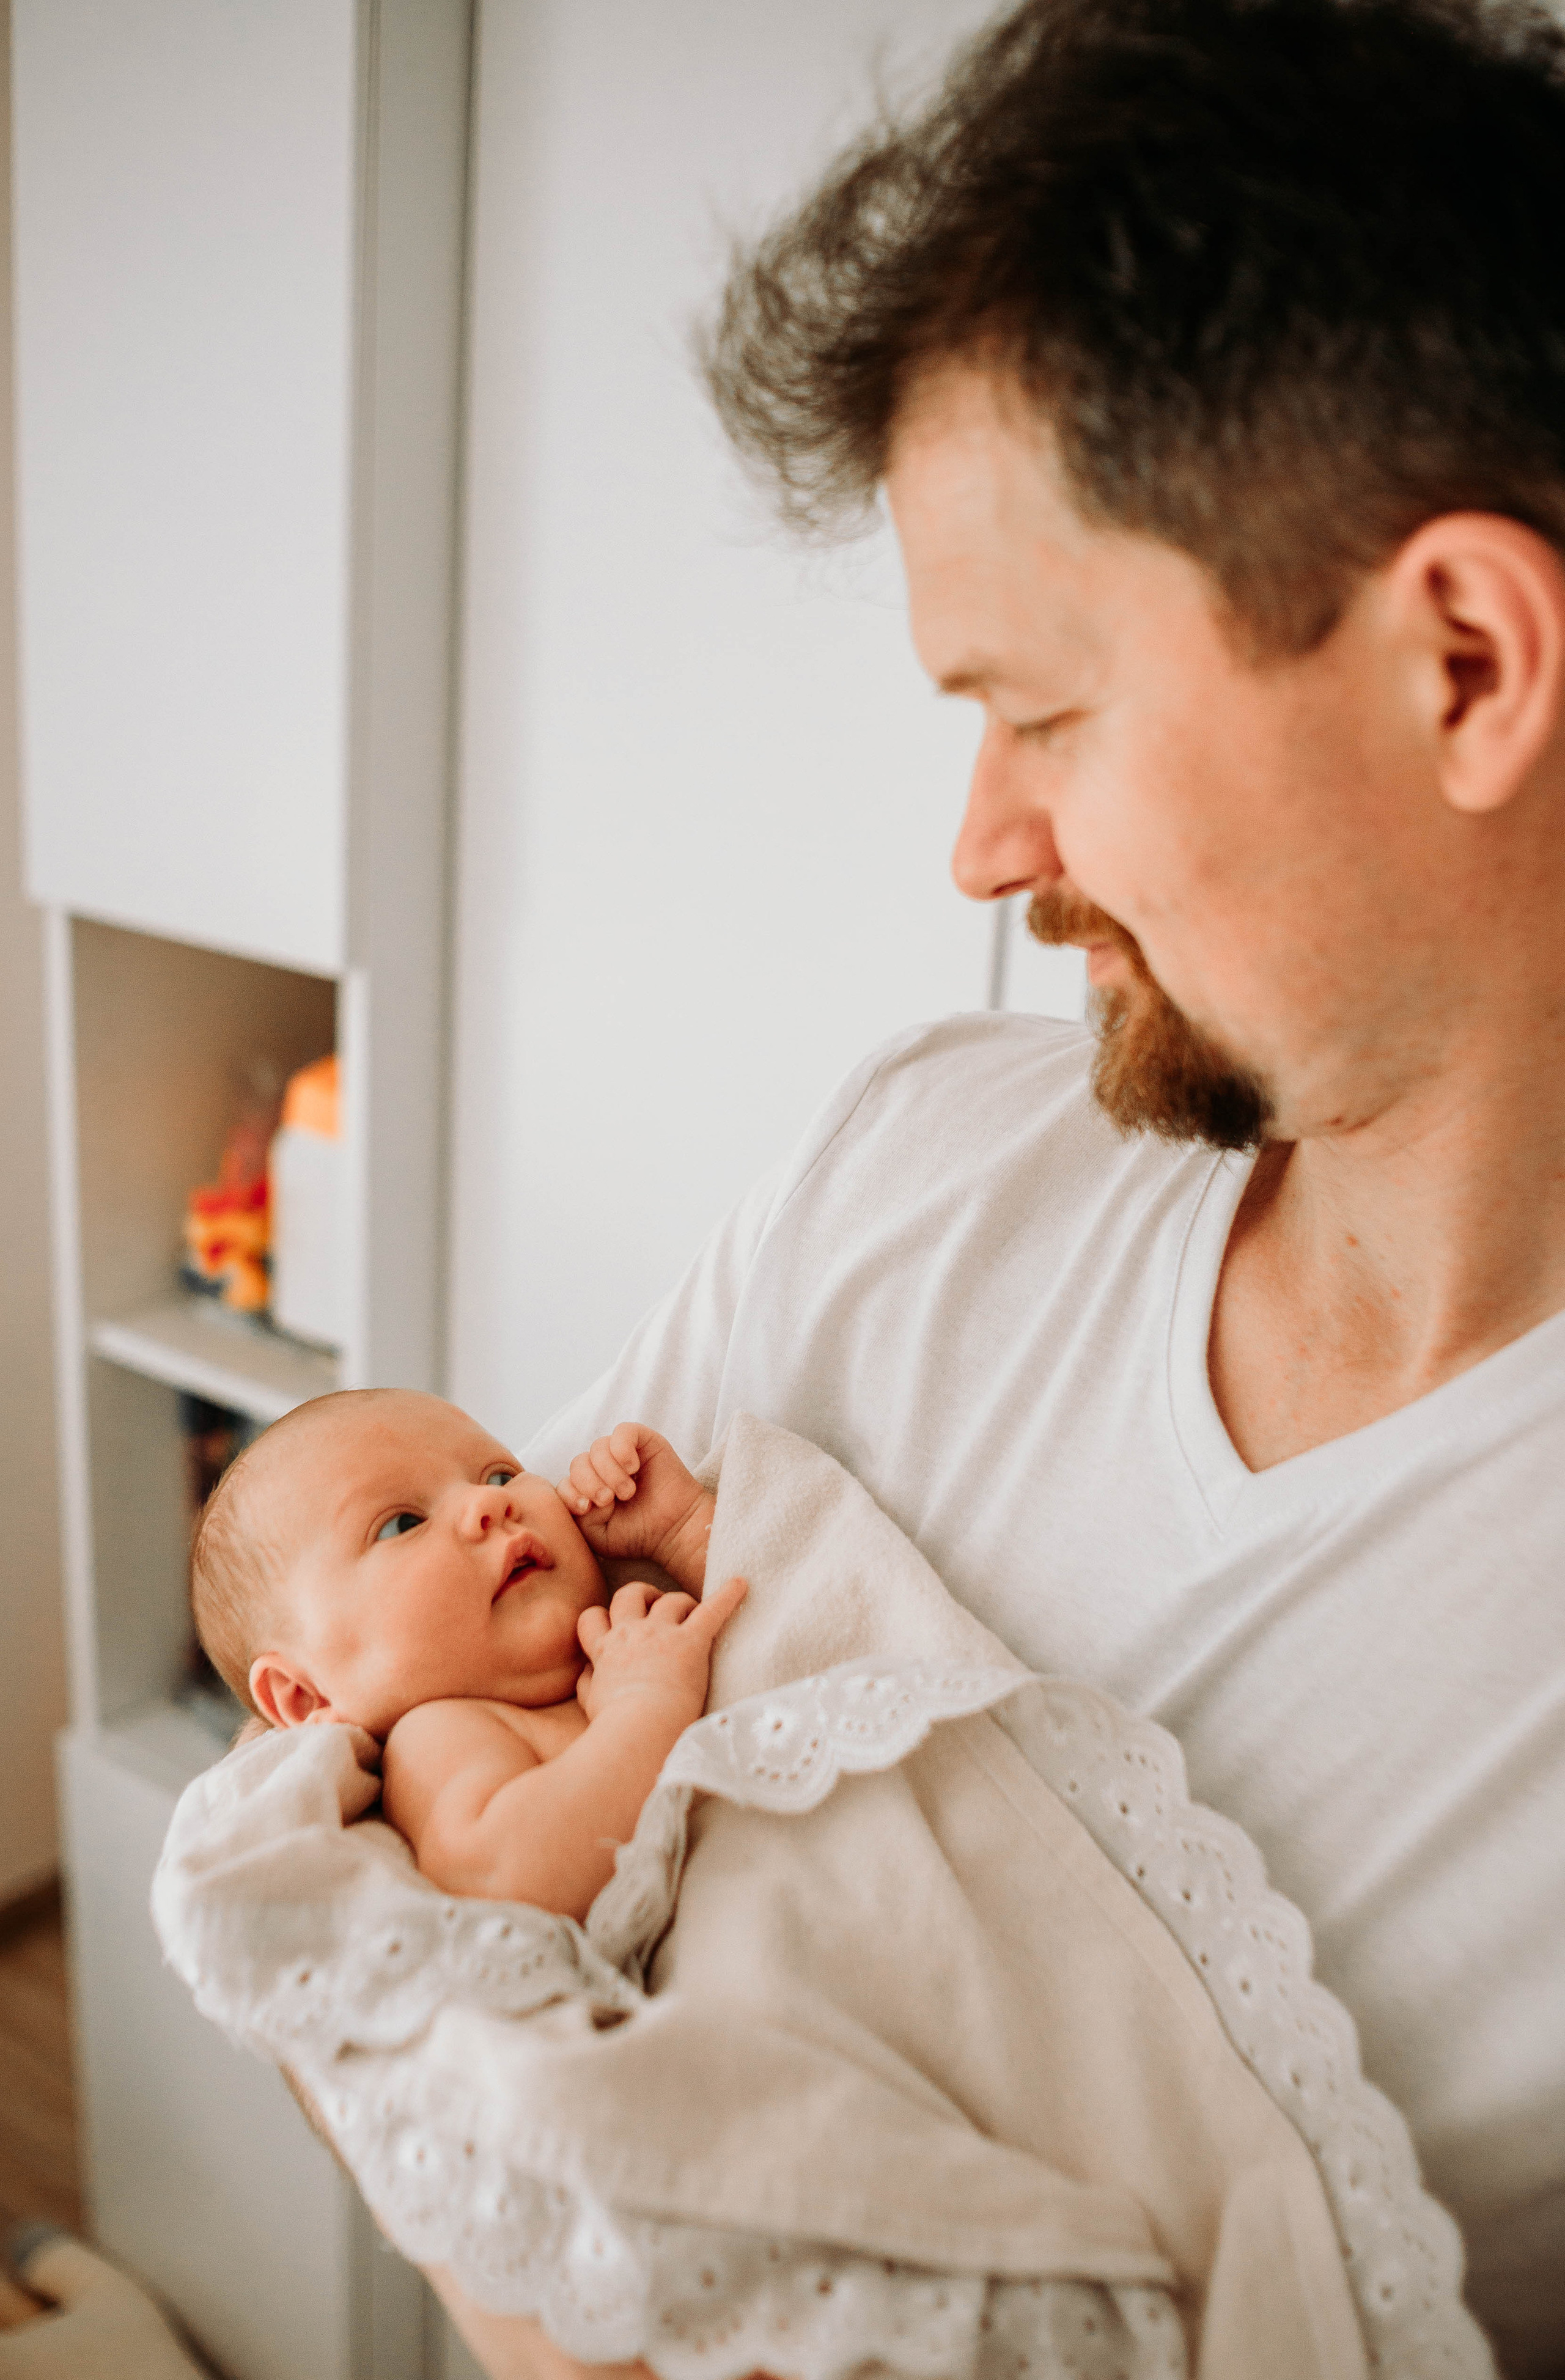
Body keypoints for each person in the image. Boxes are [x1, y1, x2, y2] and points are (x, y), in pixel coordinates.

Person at [489, 0, 1565, 2371]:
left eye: (1042, 713)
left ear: (1467, 659)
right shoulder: (910, 1162)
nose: (979, 841)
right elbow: (348, 1819)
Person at [190, 1390, 746, 1918]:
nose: (490, 1501)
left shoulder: (628, 1623)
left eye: (501, 1474)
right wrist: (646, 1703)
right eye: (403, 1523)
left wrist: (683, 1533)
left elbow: (786, 1620)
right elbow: (507, 1873)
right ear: (305, 1694)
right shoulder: (440, 1734)